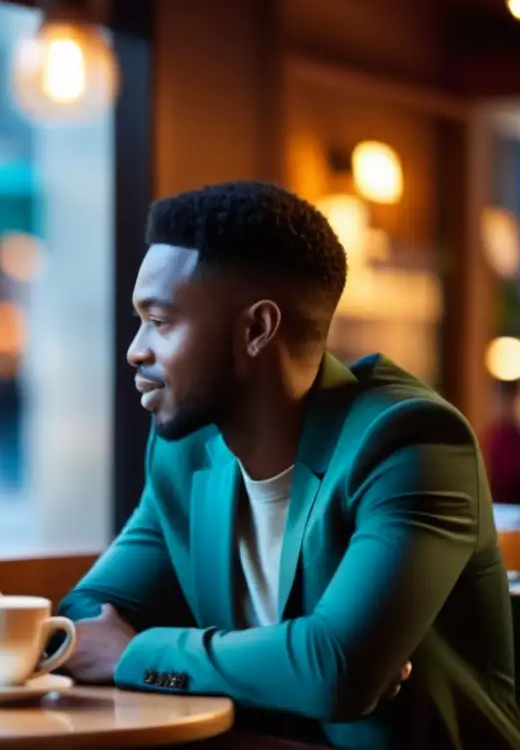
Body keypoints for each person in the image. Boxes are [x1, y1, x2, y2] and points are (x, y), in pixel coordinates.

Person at [57, 181, 520, 749]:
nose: (136, 349)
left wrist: (137, 653)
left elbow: (335, 670)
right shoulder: (185, 452)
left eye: (161, 321)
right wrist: (287, 666)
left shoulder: (410, 443)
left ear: (257, 328)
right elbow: (86, 614)